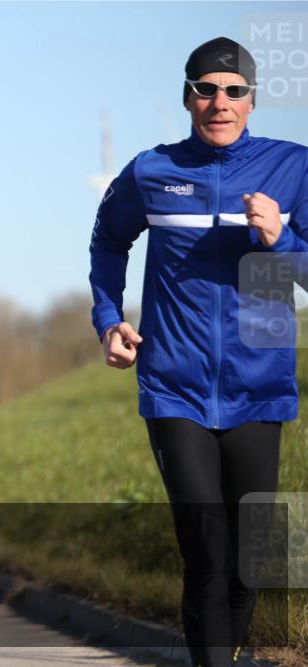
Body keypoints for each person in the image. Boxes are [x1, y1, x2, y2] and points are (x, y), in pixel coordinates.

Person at [88, 37, 308, 667]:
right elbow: (107, 244)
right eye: (206, 89)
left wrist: (282, 236)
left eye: (234, 91)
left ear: (252, 99)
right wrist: (109, 319)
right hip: (173, 386)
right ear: (187, 96)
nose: (220, 102)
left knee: (251, 561)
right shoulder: (152, 171)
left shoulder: (292, 168)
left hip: (260, 388)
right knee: (206, 551)